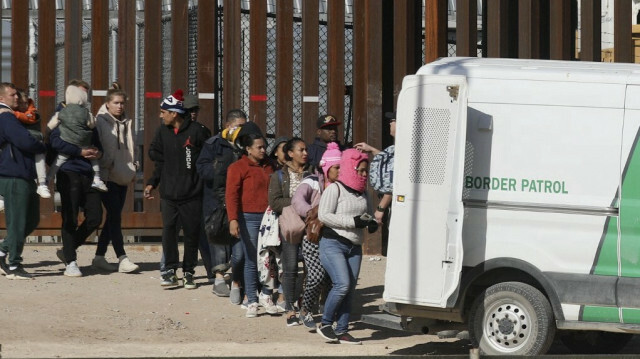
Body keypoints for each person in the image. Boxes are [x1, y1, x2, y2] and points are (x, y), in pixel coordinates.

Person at [144, 89, 211, 289]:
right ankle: (170, 270)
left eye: (163, 111)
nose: (160, 115)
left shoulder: (198, 131)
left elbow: (206, 161)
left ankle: (189, 271)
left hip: (192, 194)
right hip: (169, 194)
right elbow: (158, 159)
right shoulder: (162, 131)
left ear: (174, 113)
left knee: (191, 233)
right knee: (169, 232)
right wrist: (152, 183)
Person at [316, 148, 377, 344]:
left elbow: (366, 215)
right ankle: (325, 324)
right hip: (333, 243)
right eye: (360, 170)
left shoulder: (363, 193)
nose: (364, 174)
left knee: (349, 290)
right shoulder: (334, 189)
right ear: (351, 168)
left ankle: (342, 330)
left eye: (366, 170)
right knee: (342, 285)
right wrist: (353, 222)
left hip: (354, 247)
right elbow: (323, 216)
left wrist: (371, 222)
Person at [226, 130, 279, 318]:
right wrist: (233, 219)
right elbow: (231, 195)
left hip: (269, 218)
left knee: (269, 258)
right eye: (259, 147)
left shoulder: (270, 166)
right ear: (248, 149)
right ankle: (252, 300)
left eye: (265, 147)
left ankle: (266, 295)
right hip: (247, 217)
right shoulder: (237, 167)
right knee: (250, 259)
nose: (264, 150)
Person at [196, 109, 247, 300]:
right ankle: (218, 278)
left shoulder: (245, 145)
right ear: (228, 126)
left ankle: (237, 278)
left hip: (239, 198)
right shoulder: (213, 144)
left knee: (238, 237)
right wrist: (222, 169)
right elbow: (203, 169)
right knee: (217, 236)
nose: (242, 130)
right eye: (239, 125)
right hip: (216, 198)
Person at [50, 104, 104, 278]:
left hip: (88, 174)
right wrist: (79, 151)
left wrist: (97, 153)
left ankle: (68, 248)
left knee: (95, 216)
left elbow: (98, 146)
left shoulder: (88, 122)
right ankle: (71, 261)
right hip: (68, 172)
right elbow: (54, 142)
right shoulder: (62, 117)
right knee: (70, 217)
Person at [291, 141, 342, 329]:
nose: (339, 171)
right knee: (316, 276)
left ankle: (328, 311)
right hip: (313, 238)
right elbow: (297, 201)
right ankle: (306, 310)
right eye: (336, 167)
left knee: (331, 278)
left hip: (335, 238)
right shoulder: (311, 182)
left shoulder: (343, 186)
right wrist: (314, 213)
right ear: (326, 167)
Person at [0, 82, 47, 279]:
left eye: (17, 95)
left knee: (31, 220)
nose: (17, 98)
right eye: (12, 95)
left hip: (24, 174)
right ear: (2, 98)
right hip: (14, 175)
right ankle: (14, 266)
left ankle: (2, 251)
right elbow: (24, 141)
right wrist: (42, 146)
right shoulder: (6, 117)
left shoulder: (13, 117)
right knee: (18, 222)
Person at [91, 83, 139, 273]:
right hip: (106, 175)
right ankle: (122, 257)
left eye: (122, 103)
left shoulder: (127, 122)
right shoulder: (100, 121)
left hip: (123, 173)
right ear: (108, 104)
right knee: (115, 217)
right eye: (116, 103)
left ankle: (99, 256)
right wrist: (105, 162)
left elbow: (131, 147)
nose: (120, 106)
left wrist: (134, 167)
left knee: (113, 217)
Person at [267, 137, 310, 326]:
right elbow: (274, 202)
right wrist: (297, 202)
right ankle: (290, 308)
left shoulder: (313, 174)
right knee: (291, 268)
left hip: (310, 227)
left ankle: (307, 306)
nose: (305, 153)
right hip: (290, 226)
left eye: (306, 149)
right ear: (290, 154)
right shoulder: (278, 176)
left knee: (311, 269)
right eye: (300, 150)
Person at [47, 84, 108, 192]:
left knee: (58, 160)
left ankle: (47, 179)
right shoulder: (86, 113)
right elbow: (92, 124)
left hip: (69, 144)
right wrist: (81, 151)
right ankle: (97, 178)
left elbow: (50, 126)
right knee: (93, 159)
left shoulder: (61, 113)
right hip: (71, 167)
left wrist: (48, 129)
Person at [354, 111, 396, 255]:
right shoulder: (403, 146)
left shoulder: (405, 146)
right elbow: (389, 161)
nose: (390, 123)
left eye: (393, 121)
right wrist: (371, 149)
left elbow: (393, 182)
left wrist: (380, 209)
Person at [14, 89, 49, 198]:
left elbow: (29, 118)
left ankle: (42, 183)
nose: (23, 105)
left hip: (32, 141)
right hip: (19, 146)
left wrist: (14, 114)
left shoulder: (32, 112)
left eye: (25, 103)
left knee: (39, 155)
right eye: (21, 103)